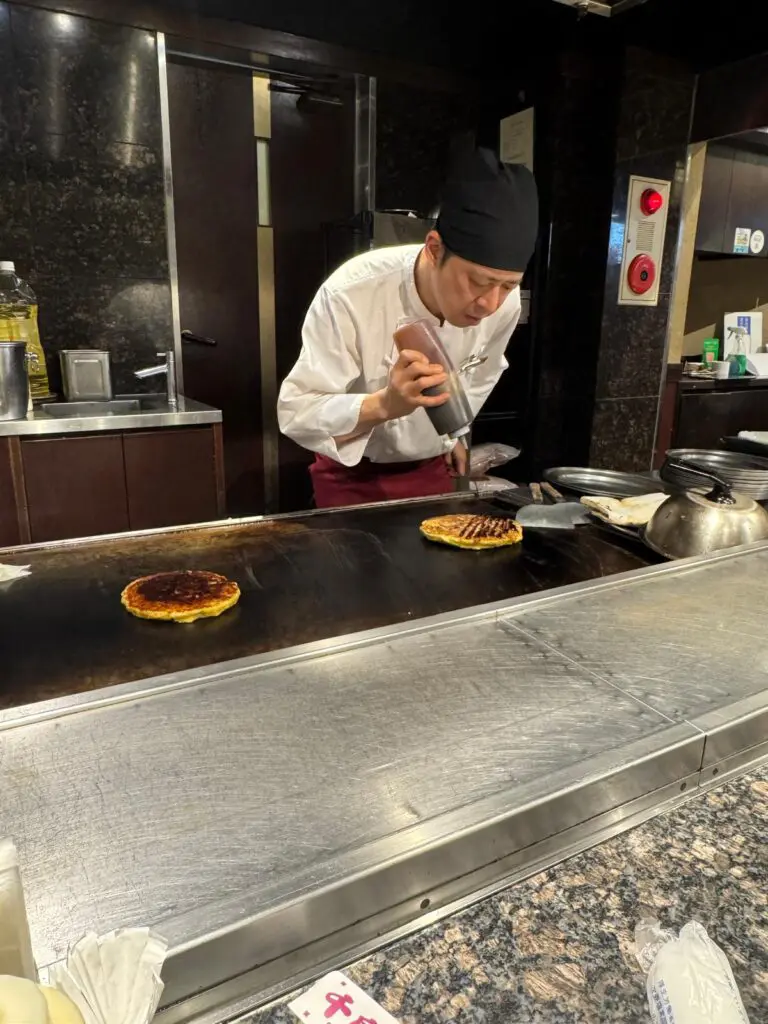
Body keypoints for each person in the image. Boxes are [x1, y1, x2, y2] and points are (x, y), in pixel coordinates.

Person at [277, 147, 538, 508]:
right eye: (478, 282)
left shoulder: (503, 305)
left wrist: (455, 435)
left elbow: (482, 374)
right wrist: (384, 404)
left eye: (508, 285)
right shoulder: (352, 293)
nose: (490, 304)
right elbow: (297, 412)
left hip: (432, 471)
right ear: (434, 249)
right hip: (351, 477)